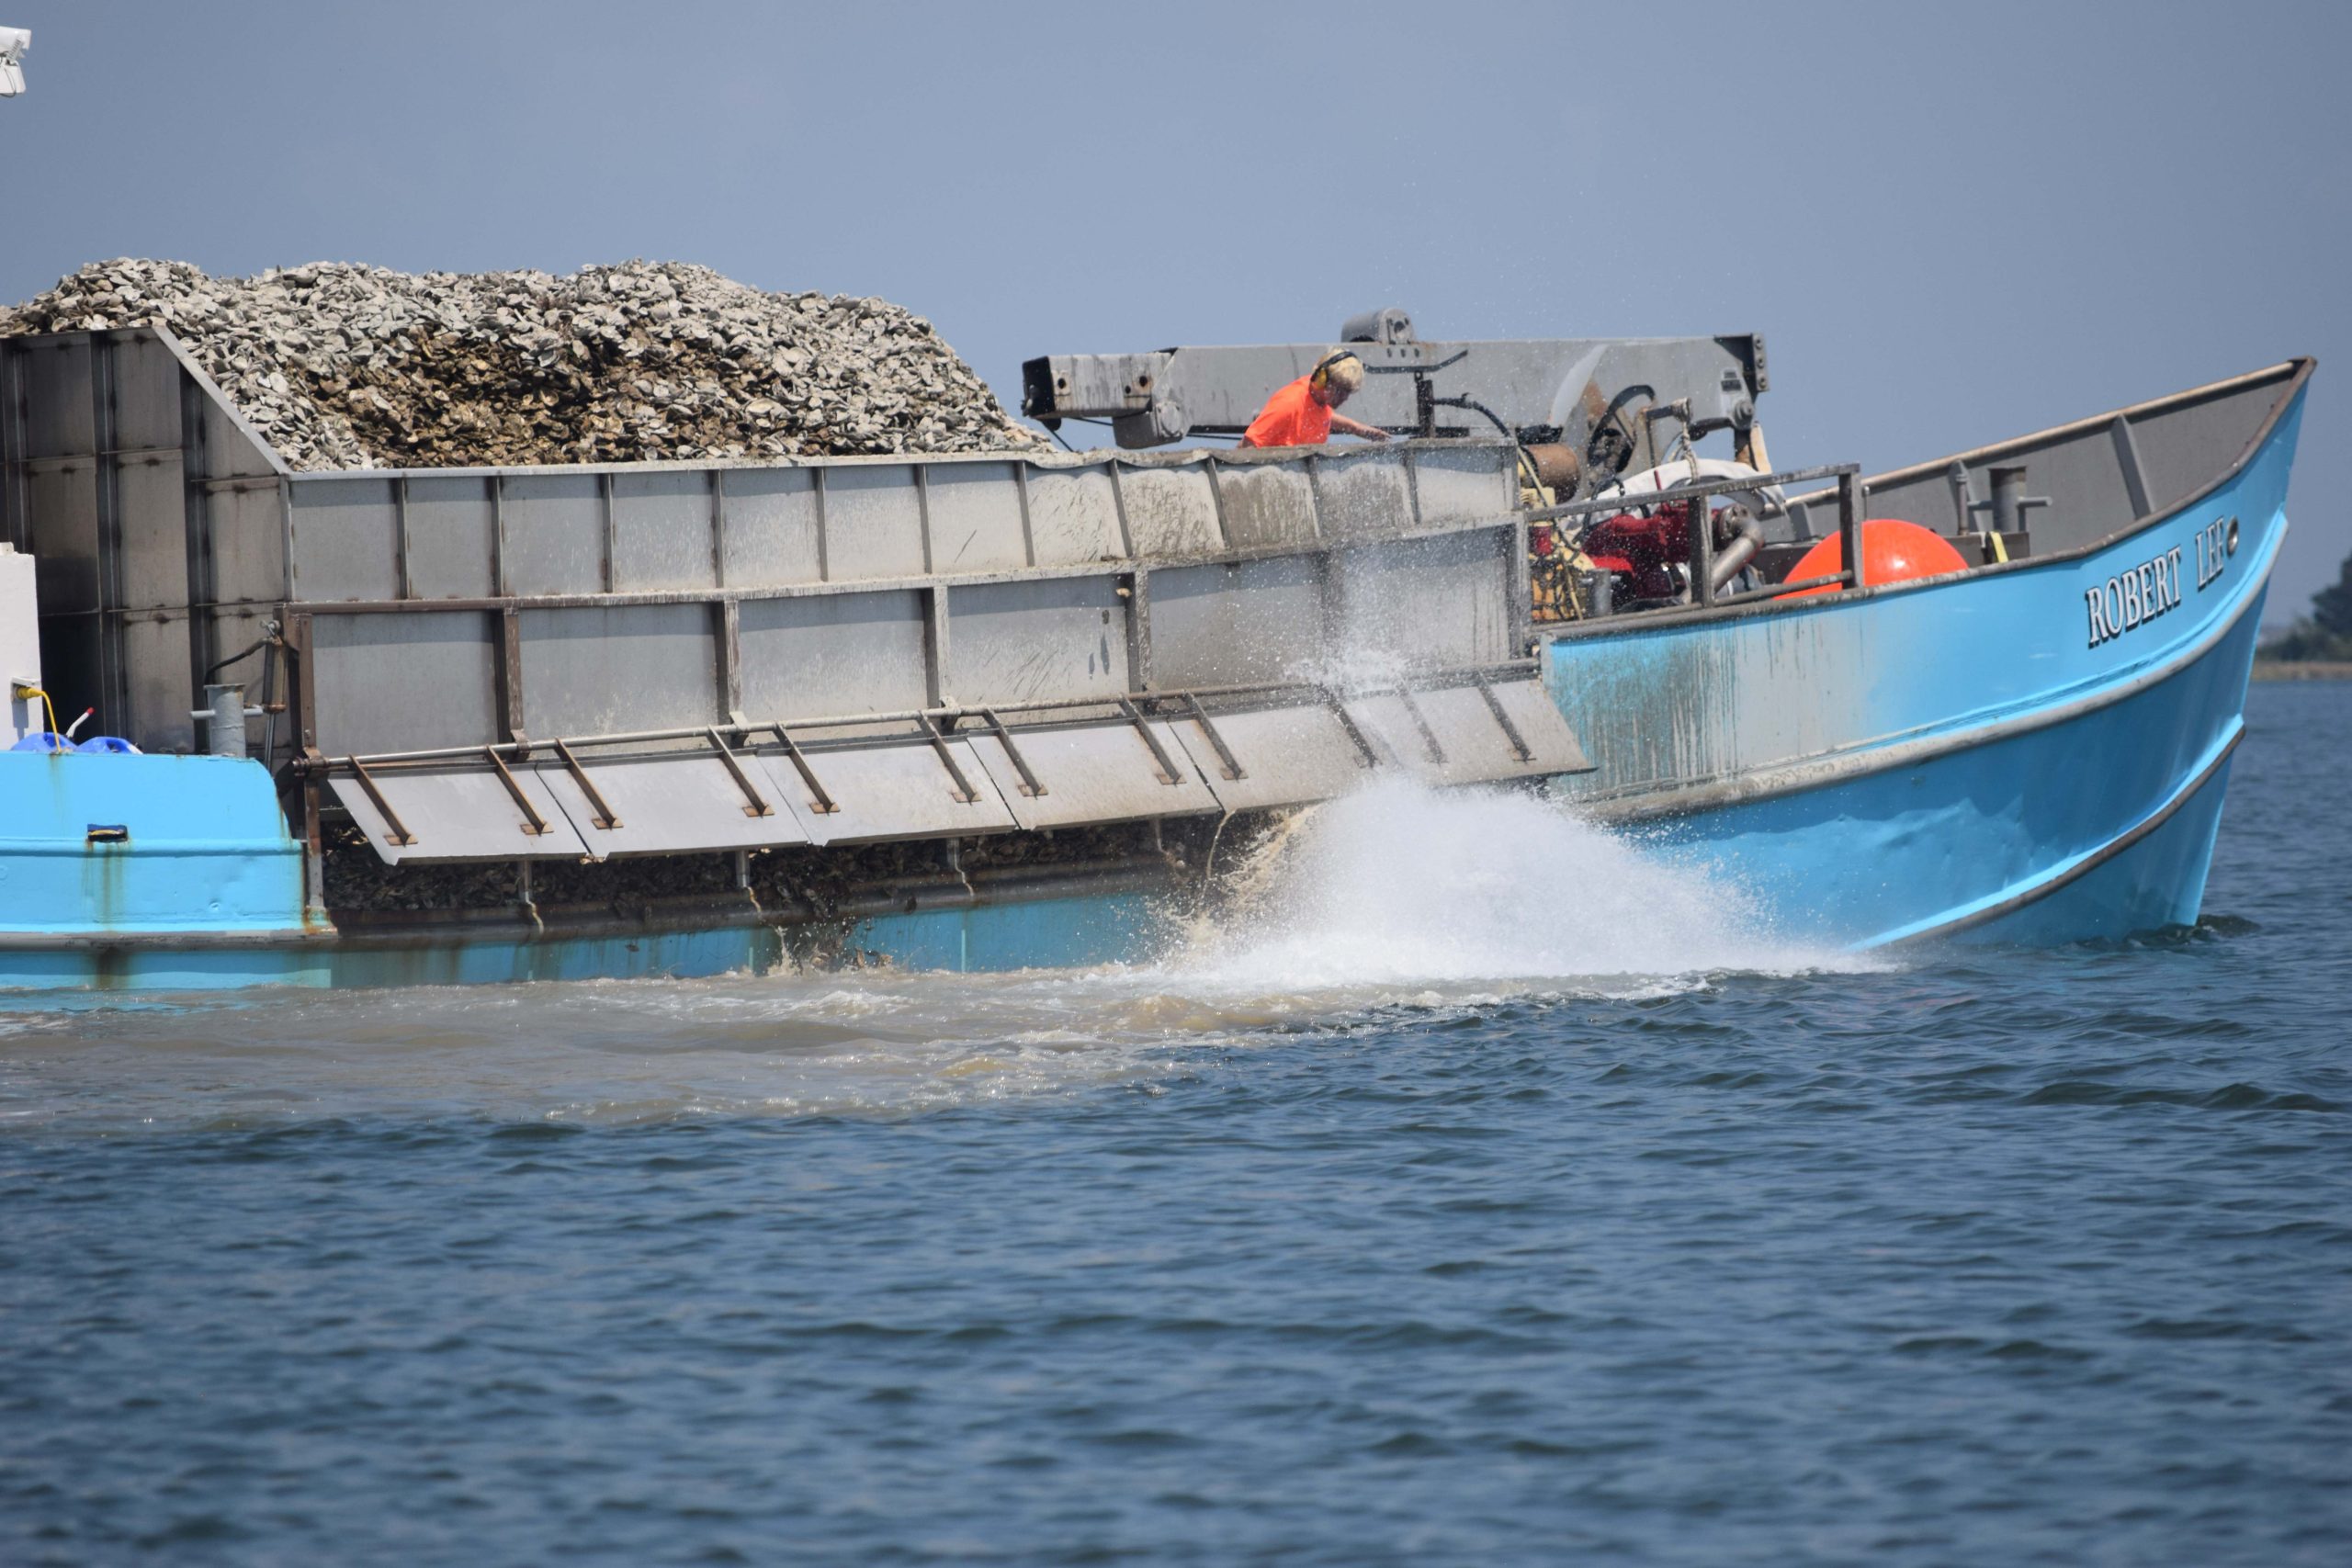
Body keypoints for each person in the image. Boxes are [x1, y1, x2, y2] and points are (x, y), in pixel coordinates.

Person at [1235, 350, 1389, 448]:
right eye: (1340, 391)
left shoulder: (1320, 400)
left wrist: (1356, 428)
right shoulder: (1289, 403)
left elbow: (1321, 416)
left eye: (1348, 392)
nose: (1345, 398)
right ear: (1322, 379)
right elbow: (1248, 446)